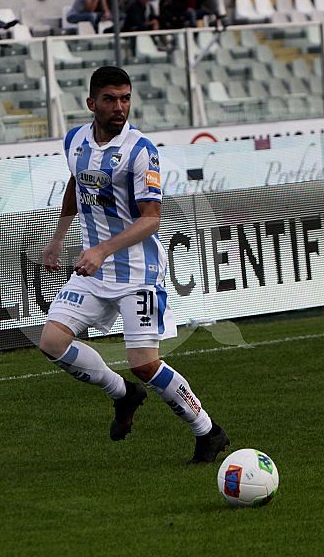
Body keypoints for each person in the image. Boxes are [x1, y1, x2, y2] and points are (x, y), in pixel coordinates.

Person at [39, 66, 230, 465]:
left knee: (144, 363)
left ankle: (208, 431)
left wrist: (102, 250)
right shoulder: (74, 140)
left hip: (137, 274)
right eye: (110, 99)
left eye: (125, 98)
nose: (119, 107)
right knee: (52, 342)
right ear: (91, 103)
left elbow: (152, 218)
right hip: (94, 270)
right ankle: (122, 394)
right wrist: (58, 237)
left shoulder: (141, 151)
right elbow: (77, 183)